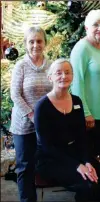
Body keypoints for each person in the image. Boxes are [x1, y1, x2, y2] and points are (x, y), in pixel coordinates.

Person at [34, 59, 100, 202]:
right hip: (50, 158)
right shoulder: (42, 106)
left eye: (67, 72)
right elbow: (47, 146)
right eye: (58, 73)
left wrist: (87, 162)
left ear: (72, 76)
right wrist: (77, 166)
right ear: (50, 77)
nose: (64, 76)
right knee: (87, 185)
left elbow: (82, 137)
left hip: (75, 153)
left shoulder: (77, 101)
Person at [9, 26, 52, 202]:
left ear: (45, 43)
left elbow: (56, 90)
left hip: (45, 125)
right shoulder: (21, 65)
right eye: (31, 41)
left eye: (39, 41)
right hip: (23, 126)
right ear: (26, 44)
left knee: (43, 164)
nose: (36, 45)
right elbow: (15, 94)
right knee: (25, 167)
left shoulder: (51, 65)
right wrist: (31, 114)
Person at [70, 9, 100, 160]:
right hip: (92, 116)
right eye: (95, 25)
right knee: (94, 158)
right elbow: (76, 82)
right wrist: (85, 113)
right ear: (86, 27)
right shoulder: (81, 48)